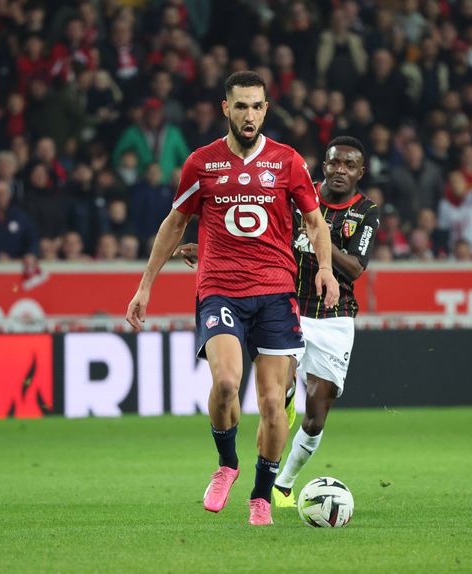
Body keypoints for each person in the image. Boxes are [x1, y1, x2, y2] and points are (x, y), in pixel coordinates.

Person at [125, 71, 339, 526]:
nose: (249, 115)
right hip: (220, 289)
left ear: (266, 110)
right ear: (226, 108)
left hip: (276, 293)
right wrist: (146, 285)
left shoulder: (288, 161)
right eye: (240, 106)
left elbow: (315, 221)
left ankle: (261, 497)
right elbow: (175, 223)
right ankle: (227, 464)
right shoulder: (202, 163)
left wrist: (324, 267)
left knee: (273, 403)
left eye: (256, 106)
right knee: (225, 383)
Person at [176, 136, 379, 509]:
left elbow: (354, 268)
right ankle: (271, 450)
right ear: (324, 166)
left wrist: (318, 238)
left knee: (315, 417)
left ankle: (284, 483)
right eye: (334, 163)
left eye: (349, 165)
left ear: (360, 172)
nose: (340, 170)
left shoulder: (366, 212)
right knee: (276, 391)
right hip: (288, 304)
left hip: (334, 317)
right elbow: (259, 236)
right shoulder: (297, 192)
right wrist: (206, 250)